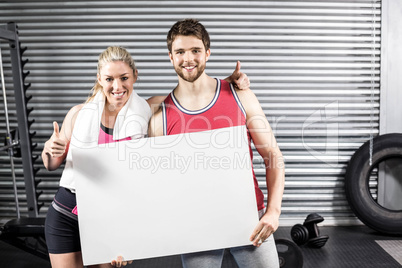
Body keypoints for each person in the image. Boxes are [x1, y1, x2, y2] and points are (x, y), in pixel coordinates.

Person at [41, 45, 250, 268]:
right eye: (109, 79)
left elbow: (194, 96)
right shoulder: (78, 114)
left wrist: (228, 84)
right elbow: (51, 164)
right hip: (65, 214)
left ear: (135, 76)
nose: (117, 86)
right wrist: (49, 148)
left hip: (108, 217)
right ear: (100, 79)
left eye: (124, 78)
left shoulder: (148, 108)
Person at [148, 19, 285, 268]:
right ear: (170, 57)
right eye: (180, 52)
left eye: (195, 51)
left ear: (207, 53)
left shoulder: (240, 95)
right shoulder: (160, 114)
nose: (188, 59)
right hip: (196, 226)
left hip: (248, 220)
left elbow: (272, 155)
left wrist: (273, 211)